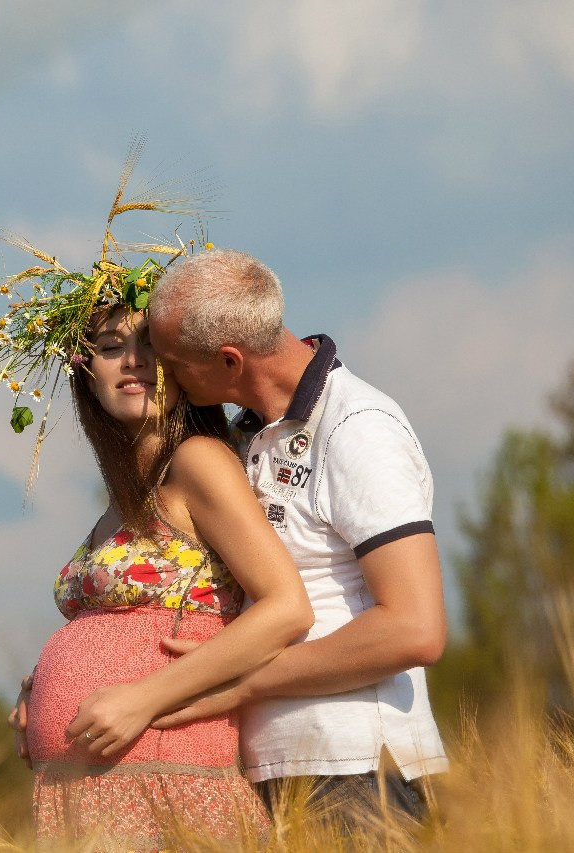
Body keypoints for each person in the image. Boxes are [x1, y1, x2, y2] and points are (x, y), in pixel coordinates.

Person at [137, 248, 448, 821]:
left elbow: (415, 629)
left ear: (229, 361)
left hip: (354, 770)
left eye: (174, 361)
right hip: (271, 769)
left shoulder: (358, 428)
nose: (164, 374)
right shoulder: (244, 435)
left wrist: (244, 682)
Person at [15, 301, 313, 849]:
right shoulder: (124, 496)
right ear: (86, 372)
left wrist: (143, 698)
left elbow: (286, 607)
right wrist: (39, 692)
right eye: (110, 348)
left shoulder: (196, 461)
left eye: (150, 345)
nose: (133, 361)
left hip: (166, 780)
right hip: (87, 793)